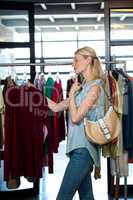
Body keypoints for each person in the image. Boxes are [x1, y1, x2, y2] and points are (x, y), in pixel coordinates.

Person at [46, 46, 105, 200]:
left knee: (63, 196)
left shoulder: (96, 88)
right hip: (77, 150)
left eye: (76, 60)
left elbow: (75, 117)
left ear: (88, 60)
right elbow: (56, 107)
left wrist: (71, 94)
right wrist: (33, 92)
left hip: (84, 150)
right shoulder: (82, 88)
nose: (73, 64)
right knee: (86, 196)